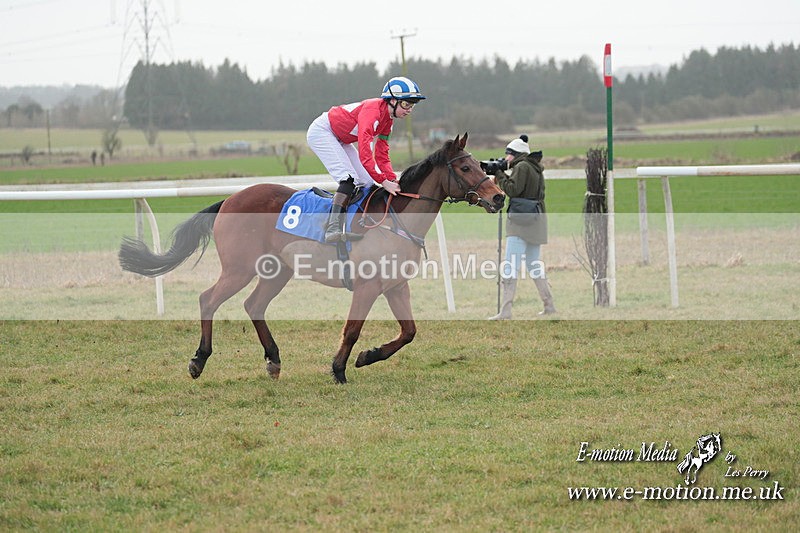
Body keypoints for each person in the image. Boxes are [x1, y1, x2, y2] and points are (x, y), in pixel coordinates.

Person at [306, 76, 426, 242]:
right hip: (323, 132)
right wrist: (383, 181)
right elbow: (365, 153)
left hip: (341, 138)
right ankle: (331, 228)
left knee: (368, 182)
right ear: (391, 100)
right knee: (348, 179)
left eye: (412, 105)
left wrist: (391, 179)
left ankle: (355, 223)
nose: (409, 109)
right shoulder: (372, 112)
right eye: (406, 104)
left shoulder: (387, 121)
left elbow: (382, 154)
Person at [488, 134, 556, 319]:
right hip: (536, 219)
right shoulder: (534, 167)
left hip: (520, 222)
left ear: (516, 154)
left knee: (510, 265)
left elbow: (512, 190)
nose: (506, 158)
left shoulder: (522, 166)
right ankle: (549, 305)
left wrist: (499, 174)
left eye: (508, 154)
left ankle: (506, 311)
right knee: (534, 264)